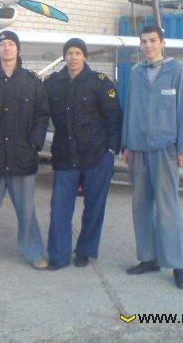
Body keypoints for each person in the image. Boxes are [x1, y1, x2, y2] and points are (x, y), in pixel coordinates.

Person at [122, 26, 183, 289]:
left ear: (162, 42)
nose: (148, 45)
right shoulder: (136, 73)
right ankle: (148, 258)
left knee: (167, 207)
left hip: (165, 148)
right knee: (140, 206)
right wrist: (126, 143)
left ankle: (178, 265)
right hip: (138, 148)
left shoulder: (177, 70)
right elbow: (129, 109)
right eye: (144, 41)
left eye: (153, 40)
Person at [0, 30, 50, 271]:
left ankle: (33, 251)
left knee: (27, 211)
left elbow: (42, 115)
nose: (6, 47)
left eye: (10, 44)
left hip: (22, 157)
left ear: (18, 49)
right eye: (2, 44)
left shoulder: (32, 82)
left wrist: (34, 144)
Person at [44, 38, 122, 270]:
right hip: (65, 156)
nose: (73, 57)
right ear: (64, 56)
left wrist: (111, 151)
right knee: (59, 209)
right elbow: (39, 111)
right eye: (69, 53)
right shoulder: (53, 83)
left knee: (94, 207)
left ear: (85, 56)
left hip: (96, 155)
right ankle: (58, 256)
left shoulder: (100, 83)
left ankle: (85, 251)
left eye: (78, 53)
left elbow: (114, 117)